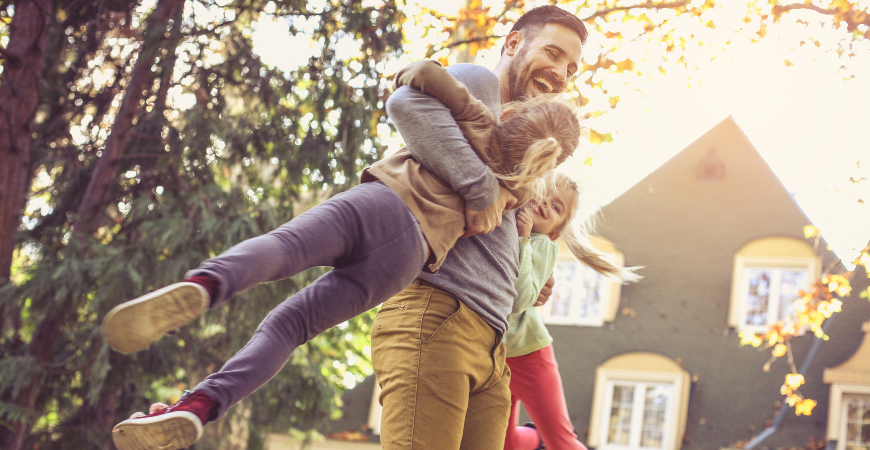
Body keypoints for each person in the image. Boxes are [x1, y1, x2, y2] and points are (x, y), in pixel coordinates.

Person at [106, 58, 583, 450]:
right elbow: (519, 237)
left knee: (285, 249)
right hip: (406, 262)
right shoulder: (514, 193)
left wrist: (413, 71)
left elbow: (420, 79)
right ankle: (199, 407)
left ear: (511, 117)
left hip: (386, 207)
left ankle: (205, 284)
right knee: (293, 327)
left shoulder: (480, 118)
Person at [369, 6, 599, 450]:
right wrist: (482, 189)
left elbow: (497, 223)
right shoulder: (478, 85)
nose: (560, 73)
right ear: (513, 44)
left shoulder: (523, 132)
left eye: (570, 67)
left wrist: (526, 267)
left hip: (493, 340)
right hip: (439, 313)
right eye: (551, 54)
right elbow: (404, 102)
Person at [504, 173, 639, 450]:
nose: (544, 204)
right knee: (503, 444)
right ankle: (535, 438)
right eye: (543, 194)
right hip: (496, 355)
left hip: (529, 351)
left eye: (556, 207)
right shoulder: (507, 220)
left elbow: (519, 296)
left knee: (561, 441)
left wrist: (525, 238)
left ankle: (543, 437)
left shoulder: (541, 244)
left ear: (554, 232)